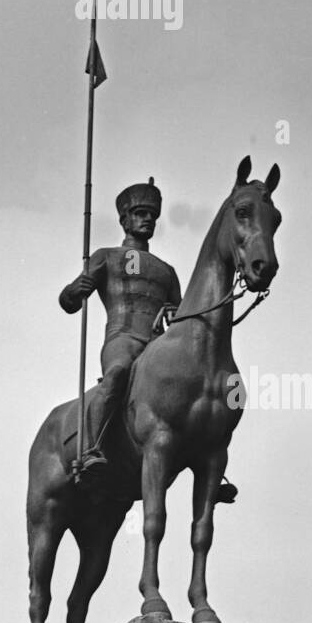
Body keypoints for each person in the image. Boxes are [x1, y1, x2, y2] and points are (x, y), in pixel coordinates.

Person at [59, 178, 180, 482]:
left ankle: (209, 464)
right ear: (125, 219)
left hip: (157, 345)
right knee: (116, 374)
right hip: (122, 338)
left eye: (152, 215)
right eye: (140, 213)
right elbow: (69, 302)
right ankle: (90, 449)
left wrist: (175, 313)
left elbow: (180, 317)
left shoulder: (167, 271)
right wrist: (75, 289)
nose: (148, 219)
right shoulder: (107, 256)